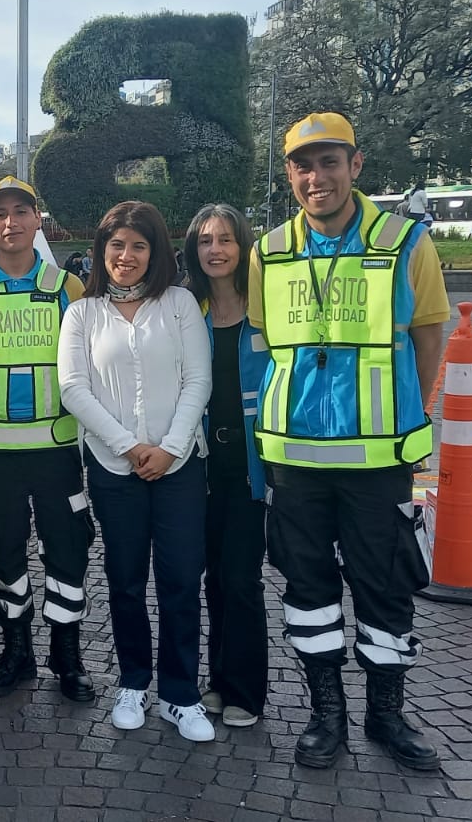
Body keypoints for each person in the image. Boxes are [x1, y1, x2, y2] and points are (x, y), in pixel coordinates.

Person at [251, 112, 450, 772]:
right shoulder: (269, 250)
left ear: (355, 166)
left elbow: (427, 336)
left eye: (329, 162)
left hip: (375, 459)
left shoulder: (406, 241)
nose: (317, 177)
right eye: (304, 166)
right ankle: (325, 713)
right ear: (289, 175)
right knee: (306, 589)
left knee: (385, 587)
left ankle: (386, 714)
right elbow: (266, 343)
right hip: (295, 458)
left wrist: (409, 417)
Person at [58, 201, 213, 743]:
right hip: (112, 466)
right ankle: (133, 681)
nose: (127, 256)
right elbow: (74, 388)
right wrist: (128, 446)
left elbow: (198, 379)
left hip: (179, 467)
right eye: (117, 245)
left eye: (139, 246)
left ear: (156, 253)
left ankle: (179, 693)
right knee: (124, 581)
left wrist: (169, 448)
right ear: (102, 250)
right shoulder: (83, 312)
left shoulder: (179, 304)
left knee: (178, 579)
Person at [0, 176, 93, 705]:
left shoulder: (67, 288)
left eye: (20, 212)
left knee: (68, 553)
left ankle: (68, 654)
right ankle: (17, 651)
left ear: (38, 220)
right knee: (5, 556)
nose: (10, 223)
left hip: (56, 452)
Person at [182, 203, 270, 729]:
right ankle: (215, 682)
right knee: (208, 579)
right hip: (196, 466)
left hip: (248, 466)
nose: (215, 249)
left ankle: (245, 690)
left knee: (240, 579)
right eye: (206, 240)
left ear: (243, 247)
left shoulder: (266, 309)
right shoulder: (185, 309)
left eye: (226, 239)